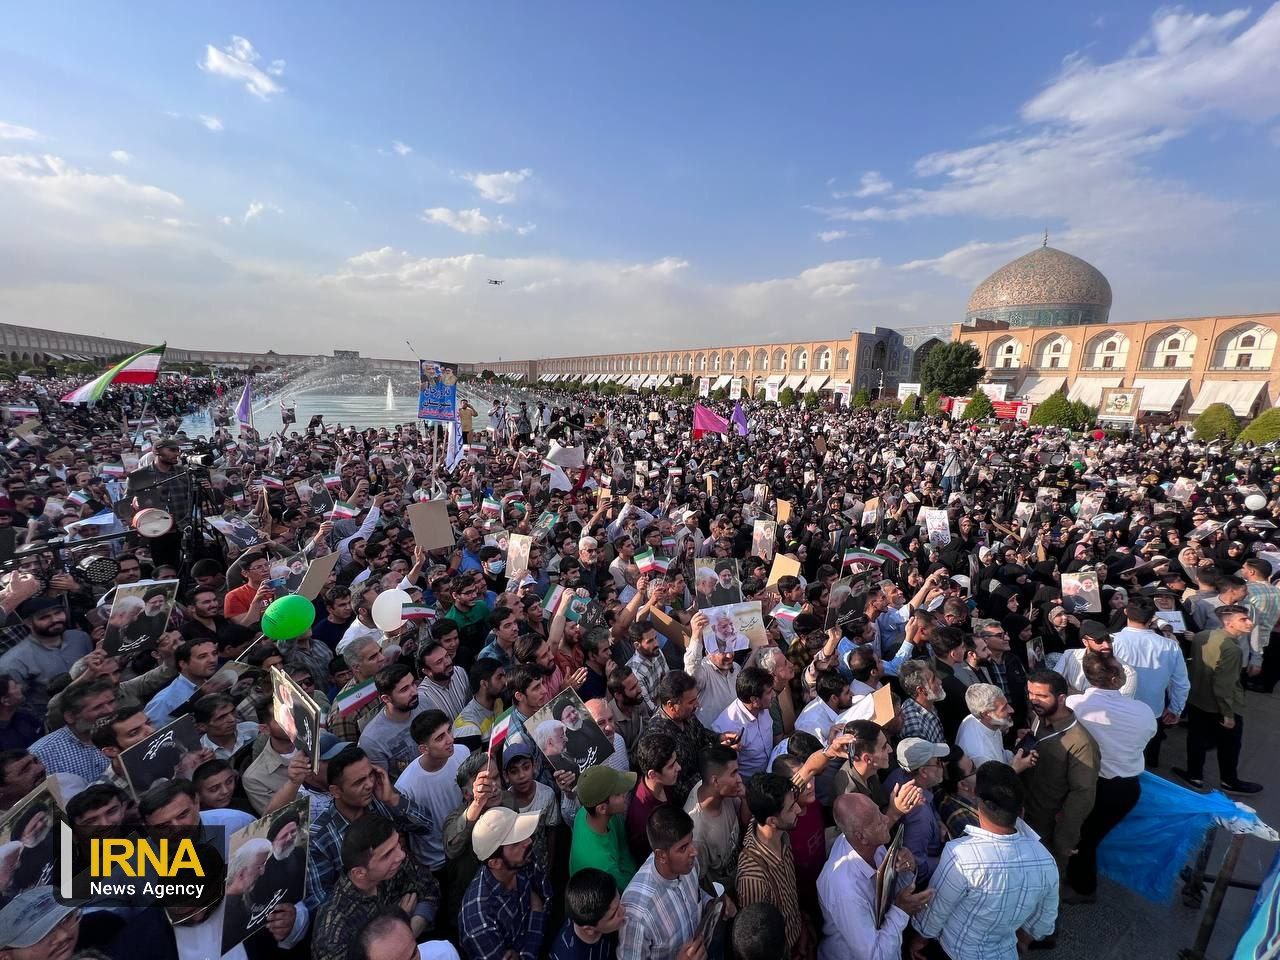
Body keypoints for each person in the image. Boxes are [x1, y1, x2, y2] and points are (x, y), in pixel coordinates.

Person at [912, 762, 1058, 960]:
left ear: (979, 805)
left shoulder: (960, 854)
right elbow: (1044, 922)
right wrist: (1021, 942)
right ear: (1021, 812)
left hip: (955, 951)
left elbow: (936, 910)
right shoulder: (1046, 859)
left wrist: (920, 939)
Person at [1064, 652, 1156, 903]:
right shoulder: (1143, 711)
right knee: (1087, 837)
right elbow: (1147, 737)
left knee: (1084, 836)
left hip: (1092, 784)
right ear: (1115, 679)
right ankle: (1082, 886)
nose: (1127, 673)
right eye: (1122, 669)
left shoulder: (1075, 705)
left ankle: (1082, 886)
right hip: (1125, 788)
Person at [817, 792, 931, 960]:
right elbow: (875, 956)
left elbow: (892, 890)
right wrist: (901, 911)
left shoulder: (869, 844)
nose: (886, 819)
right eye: (878, 821)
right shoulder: (845, 889)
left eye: (879, 812)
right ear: (861, 837)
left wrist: (908, 868)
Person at [1176, 604, 1262, 794]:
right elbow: (1223, 686)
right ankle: (1229, 781)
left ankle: (1194, 776)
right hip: (1220, 706)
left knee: (1196, 740)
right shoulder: (1232, 650)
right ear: (1229, 623)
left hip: (1198, 699)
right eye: (1244, 619)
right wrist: (1228, 714)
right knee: (1230, 745)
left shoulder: (1202, 636)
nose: (1250, 622)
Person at [1022, 669, 1100, 873]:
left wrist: (1065, 841)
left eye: (1041, 695)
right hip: (1026, 815)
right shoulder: (1040, 717)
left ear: (1062, 698)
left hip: (1048, 828)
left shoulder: (1081, 743)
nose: (1034, 700)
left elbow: (1082, 796)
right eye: (1030, 693)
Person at [618, 806, 711, 960]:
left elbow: (696, 893)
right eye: (683, 848)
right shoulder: (638, 914)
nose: (694, 851)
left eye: (691, 841)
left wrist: (712, 903)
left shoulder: (689, 865)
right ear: (661, 855)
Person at [736, 772, 811, 958]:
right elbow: (757, 943)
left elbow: (804, 774)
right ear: (772, 821)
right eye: (791, 808)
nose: (798, 810)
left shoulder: (778, 831)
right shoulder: (753, 877)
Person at [457, 806, 548, 960]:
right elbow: (539, 904)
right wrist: (537, 913)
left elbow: (547, 896)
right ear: (495, 863)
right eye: (515, 843)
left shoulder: (523, 860)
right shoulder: (478, 922)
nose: (527, 841)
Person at [1109, 598, 1188, 767]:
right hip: (1153, 711)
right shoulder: (1170, 646)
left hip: (1118, 711)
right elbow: (1181, 683)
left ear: (1125, 613)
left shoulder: (1111, 642)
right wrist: (1175, 708)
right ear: (1153, 618)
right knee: (1148, 757)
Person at [395, 709, 470, 877]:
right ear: (423, 748)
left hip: (468, 843)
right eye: (440, 738)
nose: (450, 739)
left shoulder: (463, 752)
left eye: (448, 730)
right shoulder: (406, 786)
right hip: (437, 862)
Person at [0, 597, 93, 715]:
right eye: (44, 617)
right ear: (28, 623)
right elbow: (19, 706)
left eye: (58, 613)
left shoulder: (80, 637)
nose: (55, 619)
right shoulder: (14, 661)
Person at [883, 738, 948, 885]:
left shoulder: (900, 774)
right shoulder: (920, 814)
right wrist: (945, 861)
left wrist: (937, 820)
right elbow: (915, 867)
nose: (942, 765)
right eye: (938, 762)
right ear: (923, 771)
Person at [683, 745, 744, 893]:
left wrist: (746, 798)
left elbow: (744, 820)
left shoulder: (725, 793)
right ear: (715, 781)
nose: (739, 779)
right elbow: (701, 883)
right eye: (733, 774)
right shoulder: (696, 833)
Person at [570, 764, 638, 892]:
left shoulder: (585, 812)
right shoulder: (603, 867)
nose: (625, 794)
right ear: (602, 808)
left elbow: (620, 834)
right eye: (618, 794)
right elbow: (630, 885)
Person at [956, 684, 1036, 773]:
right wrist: (1016, 769)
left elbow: (1000, 754)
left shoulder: (978, 719)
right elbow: (996, 784)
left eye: (1007, 704)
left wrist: (1016, 753)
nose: (1011, 710)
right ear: (986, 714)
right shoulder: (981, 755)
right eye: (1004, 708)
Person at [549, 867, 627, 960]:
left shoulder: (586, 914)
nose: (624, 910)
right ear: (589, 929)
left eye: (619, 900)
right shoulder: (571, 955)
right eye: (613, 915)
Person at [712, 667, 775, 779]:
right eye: (769, 692)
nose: (774, 695)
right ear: (754, 700)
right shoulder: (728, 728)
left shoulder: (764, 707)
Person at [1052, 619, 1138, 697]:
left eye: (1108, 639)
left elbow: (1119, 705)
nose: (1106, 645)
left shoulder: (1127, 672)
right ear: (1085, 642)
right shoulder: (1070, 655)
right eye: (1099, 640)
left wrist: (1073, 693)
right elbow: (1054, 685)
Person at [143, 638, 218, 727]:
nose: (212, 660)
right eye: (202, 656)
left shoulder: (216, 683)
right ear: (183, 664)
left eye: (214, 653)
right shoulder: (164, 701)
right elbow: (153, 736)